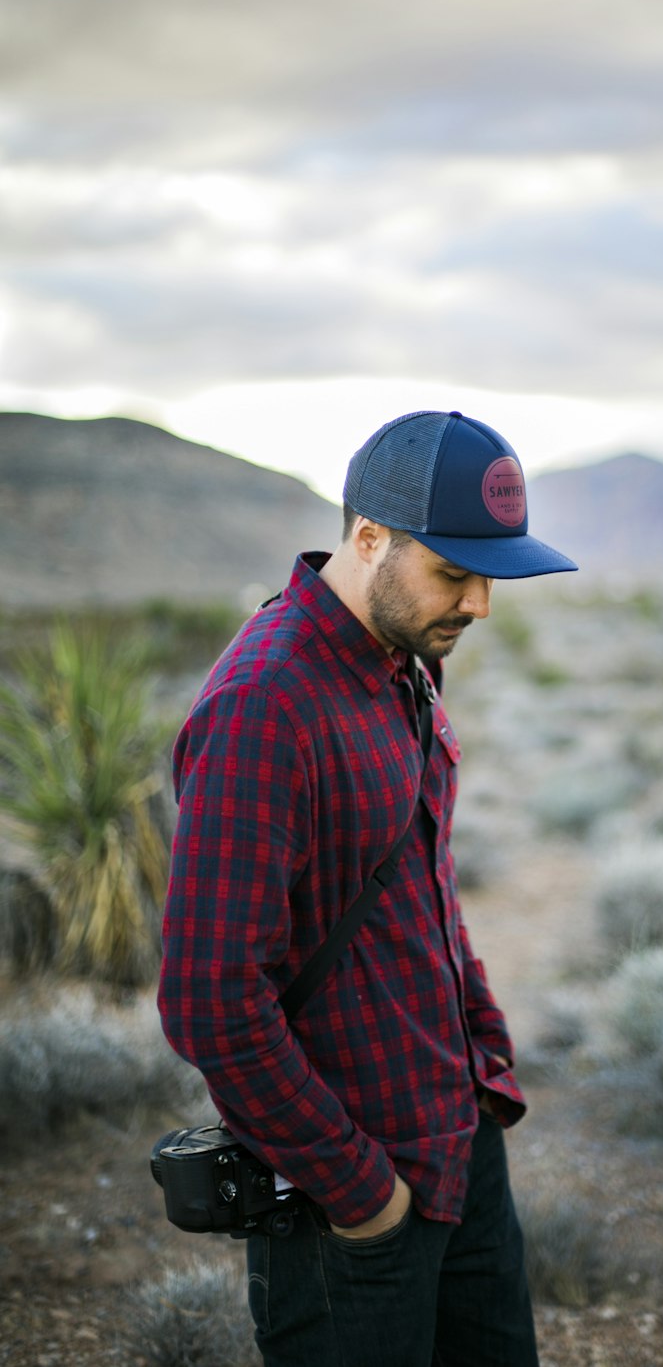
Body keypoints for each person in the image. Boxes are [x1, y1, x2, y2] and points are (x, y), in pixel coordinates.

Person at [158, 409, 577, 1367]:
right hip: (350, 1198)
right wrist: (362, 1195)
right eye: (455, 573)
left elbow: (423, 881)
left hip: (457, 1138)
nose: (479, 605)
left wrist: (484, 1054)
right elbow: (209, 1001)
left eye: (491, 575)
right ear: (370, 537)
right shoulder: (266, 706)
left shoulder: (405, 664)